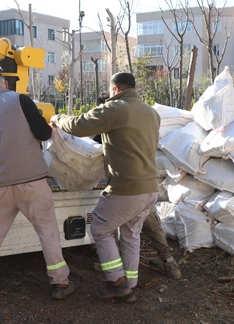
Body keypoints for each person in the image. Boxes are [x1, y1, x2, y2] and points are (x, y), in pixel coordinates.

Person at [51, 72, 160, 303]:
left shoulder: (115, 108)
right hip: (150, 186)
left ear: (116, 89)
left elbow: (79, 126)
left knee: (100, 228)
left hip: (127, 187)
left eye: (110, 91)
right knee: (131, 235)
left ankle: (116, 282)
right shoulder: (151, 112)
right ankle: (129, 285)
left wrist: (57, 118)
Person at [0, 70, 74, 300]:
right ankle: (60, 283)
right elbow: (43, 133)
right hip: (32, 182)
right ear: (5, 84)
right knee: (48, 233)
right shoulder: (20, 99)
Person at [93, 92, 181, 280]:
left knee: (108, 227)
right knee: (145, 227)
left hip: (129, 188)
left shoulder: (112, 126)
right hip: (147, 185)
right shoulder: (144, 122)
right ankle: (169, 262)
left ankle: (116, 273)